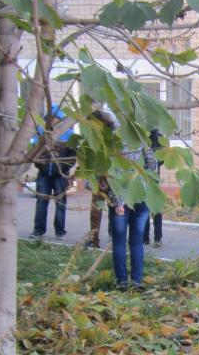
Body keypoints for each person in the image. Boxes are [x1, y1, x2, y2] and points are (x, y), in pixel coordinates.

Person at [112, 137, 155, 287]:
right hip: (141, 197)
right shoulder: (141, 140)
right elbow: (153, 164)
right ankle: (137, 280)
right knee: (136, 242)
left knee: (119, 242)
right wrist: (142, 179)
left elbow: (113, 174)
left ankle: (122, 282)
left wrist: (118, 203)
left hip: (121, 200)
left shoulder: (114, 143)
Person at [31, 111, 76, 238]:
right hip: (44, 174)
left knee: (60, 202)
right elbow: (35, 152)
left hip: (60, 175)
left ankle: (60, 231)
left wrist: (62, 168)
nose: (52, 120)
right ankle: (38, 230)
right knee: (41, 201)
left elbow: (73, 156)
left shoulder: (69, 135)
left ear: (61, 120)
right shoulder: (42, 133)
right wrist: (40, 165)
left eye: (56, 118)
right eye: (50, 117)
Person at [83, 109, 116, 249]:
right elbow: (87, 160)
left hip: (113, 180)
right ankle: (94, 240)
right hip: (97, 180)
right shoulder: (90, 140)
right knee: (95, 212)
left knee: (115, 210)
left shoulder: (113, 139)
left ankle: (114, 238)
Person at [142, 129, 164, 248]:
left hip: (153, 177)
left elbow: (162, 159)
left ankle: (157, 238)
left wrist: (150, 165)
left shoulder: (159, 137)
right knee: (144, 207)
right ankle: (145, 237)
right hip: (142, 177)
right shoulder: (140, 135)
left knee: (155, 208)